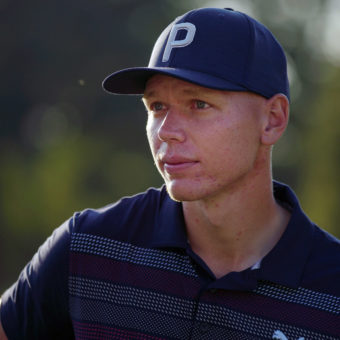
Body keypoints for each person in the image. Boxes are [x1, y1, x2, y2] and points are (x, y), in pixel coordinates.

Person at [1, 7, 339, 340]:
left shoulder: (332, 288)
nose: (167, 131)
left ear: (273, 119)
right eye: (157, 106)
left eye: (198, 104)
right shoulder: (87, 248)